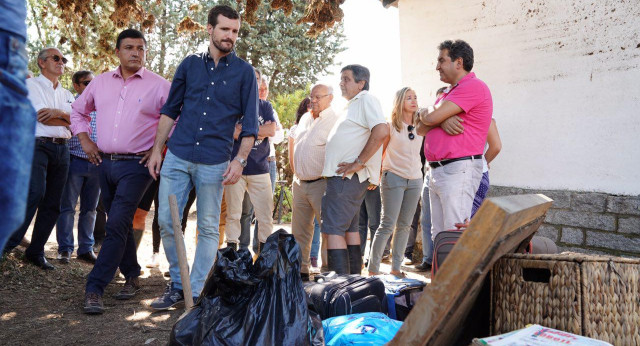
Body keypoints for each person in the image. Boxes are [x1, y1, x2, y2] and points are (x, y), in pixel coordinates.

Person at [147, 5, 258, 310]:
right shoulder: (189, 65)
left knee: (208, 227)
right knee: (167, 221)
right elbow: (171, 110)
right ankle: (178, 284)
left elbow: (251, 125)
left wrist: (240, 161)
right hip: (178, 154)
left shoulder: (245, 73)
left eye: (235, 31)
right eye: (225, 29)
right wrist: (158, 149)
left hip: (214, 161)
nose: (230, 36)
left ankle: (194, 291)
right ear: (210, 29)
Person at [72, 29, 171, 314]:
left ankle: (95, 287)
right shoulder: (100, 83)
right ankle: (132, 273)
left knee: (116, 223)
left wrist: (157, 148)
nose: (135, 53)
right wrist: (85, 139)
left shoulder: (160, 85)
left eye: (140, 48)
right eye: (129, 47)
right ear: (118, 51)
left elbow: (177, 120)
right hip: (103, 162)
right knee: (120, 222)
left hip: (137, 167)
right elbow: (78, 111)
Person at [5, 47, 74, 270]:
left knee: (54, 202)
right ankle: (7, 244)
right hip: (37, 146)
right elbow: (40, 117)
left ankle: (36, 251)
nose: (61, 61)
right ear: (41, 62)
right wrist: (62, 116)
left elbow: (76, 121)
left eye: (63, 59)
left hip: (63, 150)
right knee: (35, 193)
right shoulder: (30, 85)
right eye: (56, 58)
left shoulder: (66, 94)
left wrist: (56, 114)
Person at [416, 39, 493, 241]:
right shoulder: (449, 93)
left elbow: (428, 119)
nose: (437, 66)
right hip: (438, 171)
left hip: (457, 170)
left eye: (442, 60)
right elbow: (420, 127)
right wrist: (439, 120)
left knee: (453, 236)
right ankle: (441, 274)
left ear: (458, 63)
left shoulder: (473, 86)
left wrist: (431, 116)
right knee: (439, 237)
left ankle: (458, 274)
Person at [321, 64, 389, 274]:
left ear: (361, 84)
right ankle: (352, 283)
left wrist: (359, 163)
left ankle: (338, 287)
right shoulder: (352, 104)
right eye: (341, 79)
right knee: (349, 229)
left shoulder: (366, 99)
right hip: (345, 178)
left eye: (346, 79)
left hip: (345, 178)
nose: (341, 83)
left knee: (334, 230)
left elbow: (381, 130)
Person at [368, 87, 423, 277]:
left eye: (415, 97)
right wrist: (375, 175)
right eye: (409, 98)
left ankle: (396, 268)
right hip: (393, 177)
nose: (414, 100)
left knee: (405, 225)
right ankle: (373, 269)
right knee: (387, 224)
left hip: (416, 179)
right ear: (400, 102)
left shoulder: (421, 124)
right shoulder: (390, 125)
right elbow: (380, 153)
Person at [290, 84, 339, 280]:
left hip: (322, 183)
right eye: (312, 96)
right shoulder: (304, 118)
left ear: (330, 98)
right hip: (300, 183)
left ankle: (327, 273)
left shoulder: (335, 120)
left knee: (327, 230)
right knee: (299, 232)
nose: (314, 100)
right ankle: (301, 271)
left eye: (319, 97)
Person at [0, 0, 37, 255]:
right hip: (7, 47)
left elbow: (66, 117)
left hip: (10, 48)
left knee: (9, 208)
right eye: (56, 58)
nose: (61, 62)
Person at [224, 69, 276, 252]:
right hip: (235, 168)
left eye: (257, 79)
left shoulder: (265, 106)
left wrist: (244, 130)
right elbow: (232, 132)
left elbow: (271, 131)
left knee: (265, 216)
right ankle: (232, 255)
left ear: (260, 82)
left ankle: (264, 257)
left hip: (260, 168)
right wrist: (257, 130)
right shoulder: (232, 106)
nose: (253, 82)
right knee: (234, 215)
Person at [55, 70, 100, 264]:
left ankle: (86, 249)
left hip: (97, 163)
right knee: (67, 208)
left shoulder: (102, 106)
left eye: (93, 82)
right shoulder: (70, 106)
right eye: (86, 83)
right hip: (75, 161)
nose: (91, 86)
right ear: (76, 86)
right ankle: (65, 249)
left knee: (90, 209)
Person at [239, 72, 283, 251]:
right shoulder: (241, 106)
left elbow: (277, 135)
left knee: (264, 209)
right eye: (260, 88)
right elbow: (234, 132)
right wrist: (261, 130)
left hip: (267, 162)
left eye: (265, 88)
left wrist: (248, 130)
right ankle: (243, 249)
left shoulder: (269, 109)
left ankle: (260, 248)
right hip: (243, 163)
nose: (262, 91)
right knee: (245, 210)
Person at [413, 86, 446, 271]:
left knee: (446, 222)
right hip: (429, 173)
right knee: (427, 220)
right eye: (438, 101)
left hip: (450, 172)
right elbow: (420, 126)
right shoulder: (430, 121)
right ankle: (428, 258)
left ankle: (442, 263)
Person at [471, 118, 502, 217]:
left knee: (465, 220)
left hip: (474, 174)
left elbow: (496, 146)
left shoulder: (484, 115)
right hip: (476, 173)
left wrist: (483, 161)